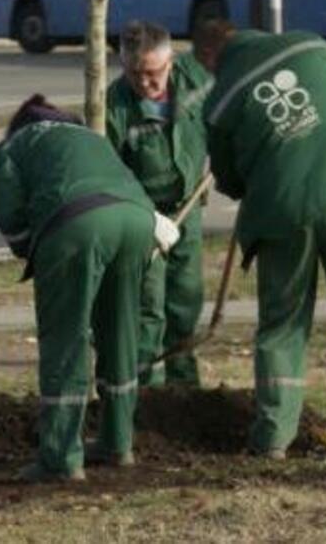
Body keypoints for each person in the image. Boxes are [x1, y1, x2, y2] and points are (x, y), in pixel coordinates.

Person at [193, 20, 326, 459]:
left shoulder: (220, 100)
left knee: (283, 324)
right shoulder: (311, 42)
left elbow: (228, 178)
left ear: (210, 57)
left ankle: (272, 435)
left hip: (282, 213)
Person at [0, 94, 181, 483]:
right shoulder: (91, 137)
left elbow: (8, 213)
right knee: (119, 333)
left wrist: (31, 247)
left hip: (75, 223)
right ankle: (117, 442)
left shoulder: (12, 147)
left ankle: (60, 459)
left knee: (67, 339)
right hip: (137, 220)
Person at [106, 21, 213, 387]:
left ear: (170, 62)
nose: (145, 83)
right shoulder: (115, 106)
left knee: (185, 301)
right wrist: (145, 219)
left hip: (189, 206)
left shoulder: (195, 82)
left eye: (153, 73)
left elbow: (221, 117)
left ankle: (184, 391)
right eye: (135, 74)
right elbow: (110, 174)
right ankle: (141, 394)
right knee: (147, 309)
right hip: (142, 218)